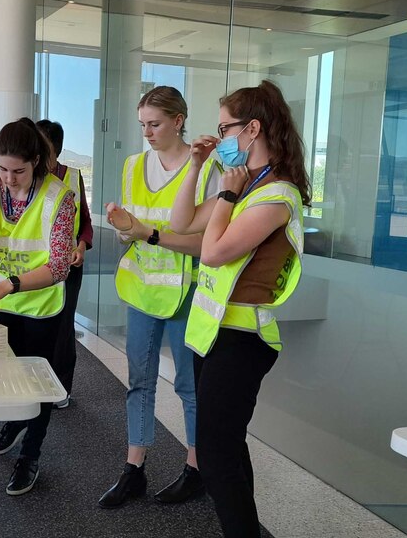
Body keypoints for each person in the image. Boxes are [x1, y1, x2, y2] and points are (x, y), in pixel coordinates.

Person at [170, 80, 310, 537]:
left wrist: (227, 197)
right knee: (225, 448)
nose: (219, 138)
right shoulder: (247, 184)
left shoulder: (276, 195)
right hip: (212, 333)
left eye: (225, 128)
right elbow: (183, 221)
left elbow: (211, 253)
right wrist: (196, 166)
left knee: (214, 456)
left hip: (243, 339)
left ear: (252, 129)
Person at [99, 86, 221, 509]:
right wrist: (122, 227)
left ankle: (196, 469)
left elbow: (208, 243)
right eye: (142, 125)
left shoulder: (206, 169)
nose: (147, 132)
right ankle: (134, 469)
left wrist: (145, 232)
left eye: (155, 124)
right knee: (140, 382)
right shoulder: (134, 166)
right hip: (141, 288)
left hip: (185, 293)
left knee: (189, 385)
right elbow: (129, 233)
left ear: (178, 120)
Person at [0, 117, 76, 496]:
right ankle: (15, 420)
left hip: (39, 303)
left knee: (37, 380)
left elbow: (58, 265)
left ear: (37, 161)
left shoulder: (60, 196)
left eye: (18, 170)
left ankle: (30, 454)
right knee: (7, 376)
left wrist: (8, 285)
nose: (8, 178)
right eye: (2, 168)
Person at [35, 119, 93, 409]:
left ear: (54, 149)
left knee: (63, 325)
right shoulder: (26, 176)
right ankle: (33, 382)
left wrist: (82, 245)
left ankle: (61, 387)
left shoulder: (72, 176)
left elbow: (85, 222)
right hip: (34, 267)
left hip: (68, 266)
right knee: (34, 323)